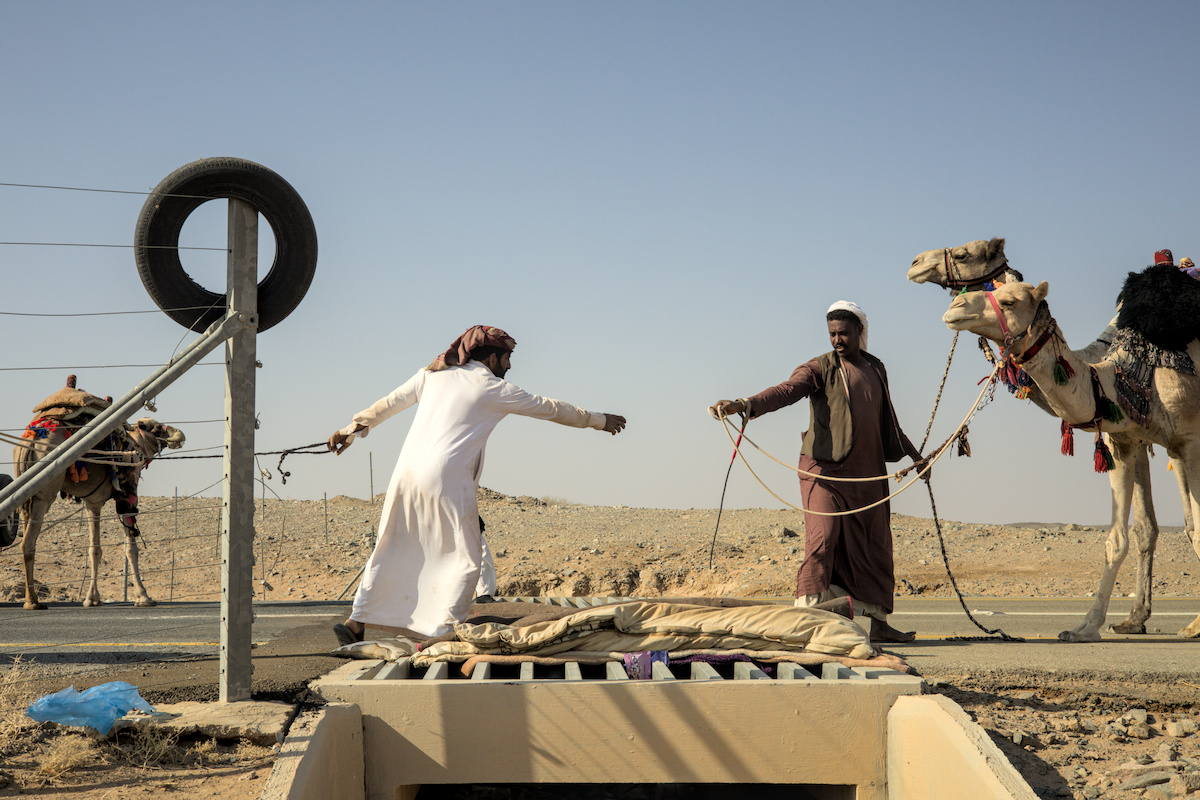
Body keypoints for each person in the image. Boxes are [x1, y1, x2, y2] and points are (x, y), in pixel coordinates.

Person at [327, 325, 626, 644]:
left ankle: (356, 622)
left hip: (405, 475)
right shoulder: (492, 388)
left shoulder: (432, 374)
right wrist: (598, 420)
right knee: (468, 558)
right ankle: (444, 632)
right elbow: (551, 408)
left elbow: (390, 403)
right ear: (492, 357)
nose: (509, 366)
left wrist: (349, 430)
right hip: (447, 477)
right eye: (507, 358)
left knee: (392, 545)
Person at [708, 302, 930, 644]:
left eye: (843, 333)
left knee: (875, 546)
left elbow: (890, 421)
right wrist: (744, 404)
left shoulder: (876, 367)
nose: (837, 340)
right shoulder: (819, 367)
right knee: (823, 539)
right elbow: (787, 390)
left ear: (860, 332)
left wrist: (917, 458)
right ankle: (806, 619)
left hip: (867, 475)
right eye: (832, 334)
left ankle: (880, 625)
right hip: (824, 472)